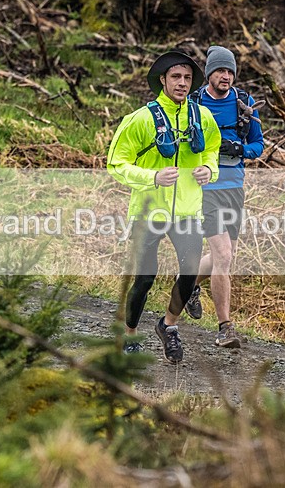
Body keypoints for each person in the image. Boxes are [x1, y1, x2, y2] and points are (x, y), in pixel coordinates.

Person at [107, 50, 221, 363]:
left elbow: (212, 150)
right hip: (149, 211)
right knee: (145, 278)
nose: (182, 83)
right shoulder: (140, 119)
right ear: (163, 80)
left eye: (187, 78)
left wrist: (209, 170)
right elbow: (116, 163)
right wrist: (152, 177)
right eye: (176, 77)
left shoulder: (202, 117)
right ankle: (129, 333)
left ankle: (168, 325)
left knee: (189, 273)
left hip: (187, 211)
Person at [187, 46, 264, 348]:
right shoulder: (194, 102)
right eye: (220, 71)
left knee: (225, 255)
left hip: (235, 188)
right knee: (224, 256)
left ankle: (190, 284)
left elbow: (258, 145)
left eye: (230, 71)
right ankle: (224, 328)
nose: (226, 76)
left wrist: (240, 150)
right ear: (209, 74)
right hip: (205, 189)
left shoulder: (245, 103)